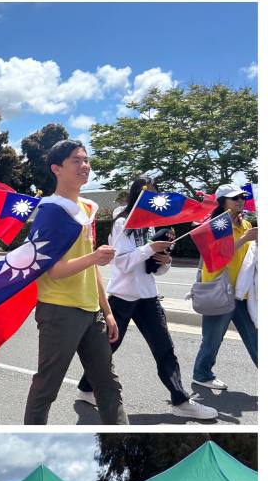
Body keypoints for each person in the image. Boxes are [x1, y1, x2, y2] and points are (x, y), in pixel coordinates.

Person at [75, 176, 217, 421]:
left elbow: (152, 269)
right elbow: (122, 263)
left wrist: (165, 262)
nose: (151, 200)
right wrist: (150, 248)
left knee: (164, 349)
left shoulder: (153, 225)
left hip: (148, 297)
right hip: (122, 296)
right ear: (136, 196)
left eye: (154, 194)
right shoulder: (123, 223)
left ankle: (180, 400)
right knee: (109, 347)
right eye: (147, 194)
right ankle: (86, 388)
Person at [23, 140, 127, 425]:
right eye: (76, 161)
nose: (85, 166)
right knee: (46, 389)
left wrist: (106, 310)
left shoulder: (87, 208)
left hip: (91, 312)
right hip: (59, 311)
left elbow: (92, 267)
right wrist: (94, 257)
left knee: (108, 387)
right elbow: (53, 271)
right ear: (56, 169)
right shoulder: (50, 212)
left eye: (86, 159)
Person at [192, 184, 258, 391]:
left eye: (241, 197)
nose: (239, 200)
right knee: (212, 338)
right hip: (219, 289)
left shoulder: (246, 224)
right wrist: (245, 239)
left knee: (255, 336)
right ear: (222, 202)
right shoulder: (214, 225)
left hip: (242, 291)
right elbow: (216, 255)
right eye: (234, 198)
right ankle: (202, 374)